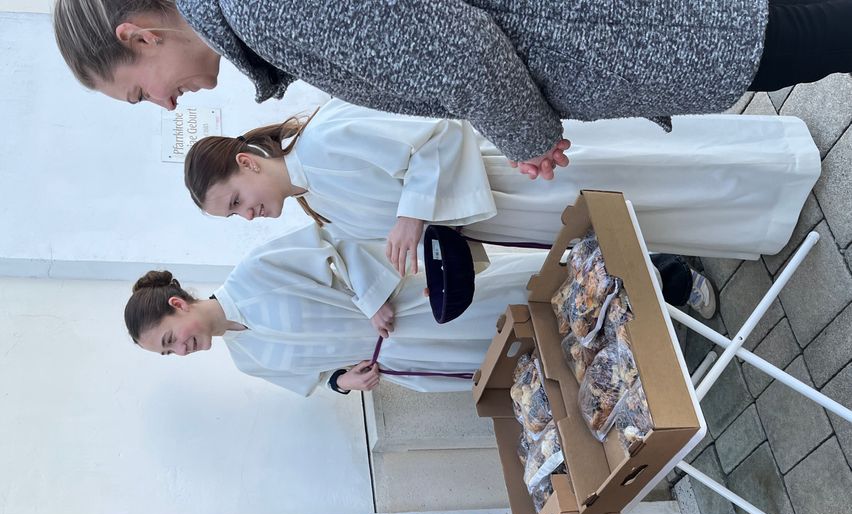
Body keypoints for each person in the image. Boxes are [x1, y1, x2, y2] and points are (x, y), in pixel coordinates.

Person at [53, 0, 852, 177]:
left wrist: (528, 137)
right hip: (608, 26)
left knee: (816, 36)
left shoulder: (266, 12)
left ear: (140, 37)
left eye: (138, 92)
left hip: (616, 29)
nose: (164, 106)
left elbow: (460, 54)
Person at [185, 99, 820, 267]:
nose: (249, 214)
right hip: (508, 214)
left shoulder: (325, 138)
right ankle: (761, 220)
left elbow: (436, 127)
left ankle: (779, 166)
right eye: (234, 217)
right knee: (644, 218)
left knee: (648, 177)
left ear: (247, 161)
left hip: (510, 170)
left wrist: (410, 216)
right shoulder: (317, 202)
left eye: (237, 201)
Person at [123, 221, 544, 394]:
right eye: (168, 354)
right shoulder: (247, 360)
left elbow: (335, 242)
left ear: (178, 305)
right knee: (517, 367)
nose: (180, 351)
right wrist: (343, 382)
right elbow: (321, 377)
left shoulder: (255, 270)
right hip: (404, 360)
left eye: (169, 338)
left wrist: (370, 299)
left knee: (517, 303)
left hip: (407, 307)